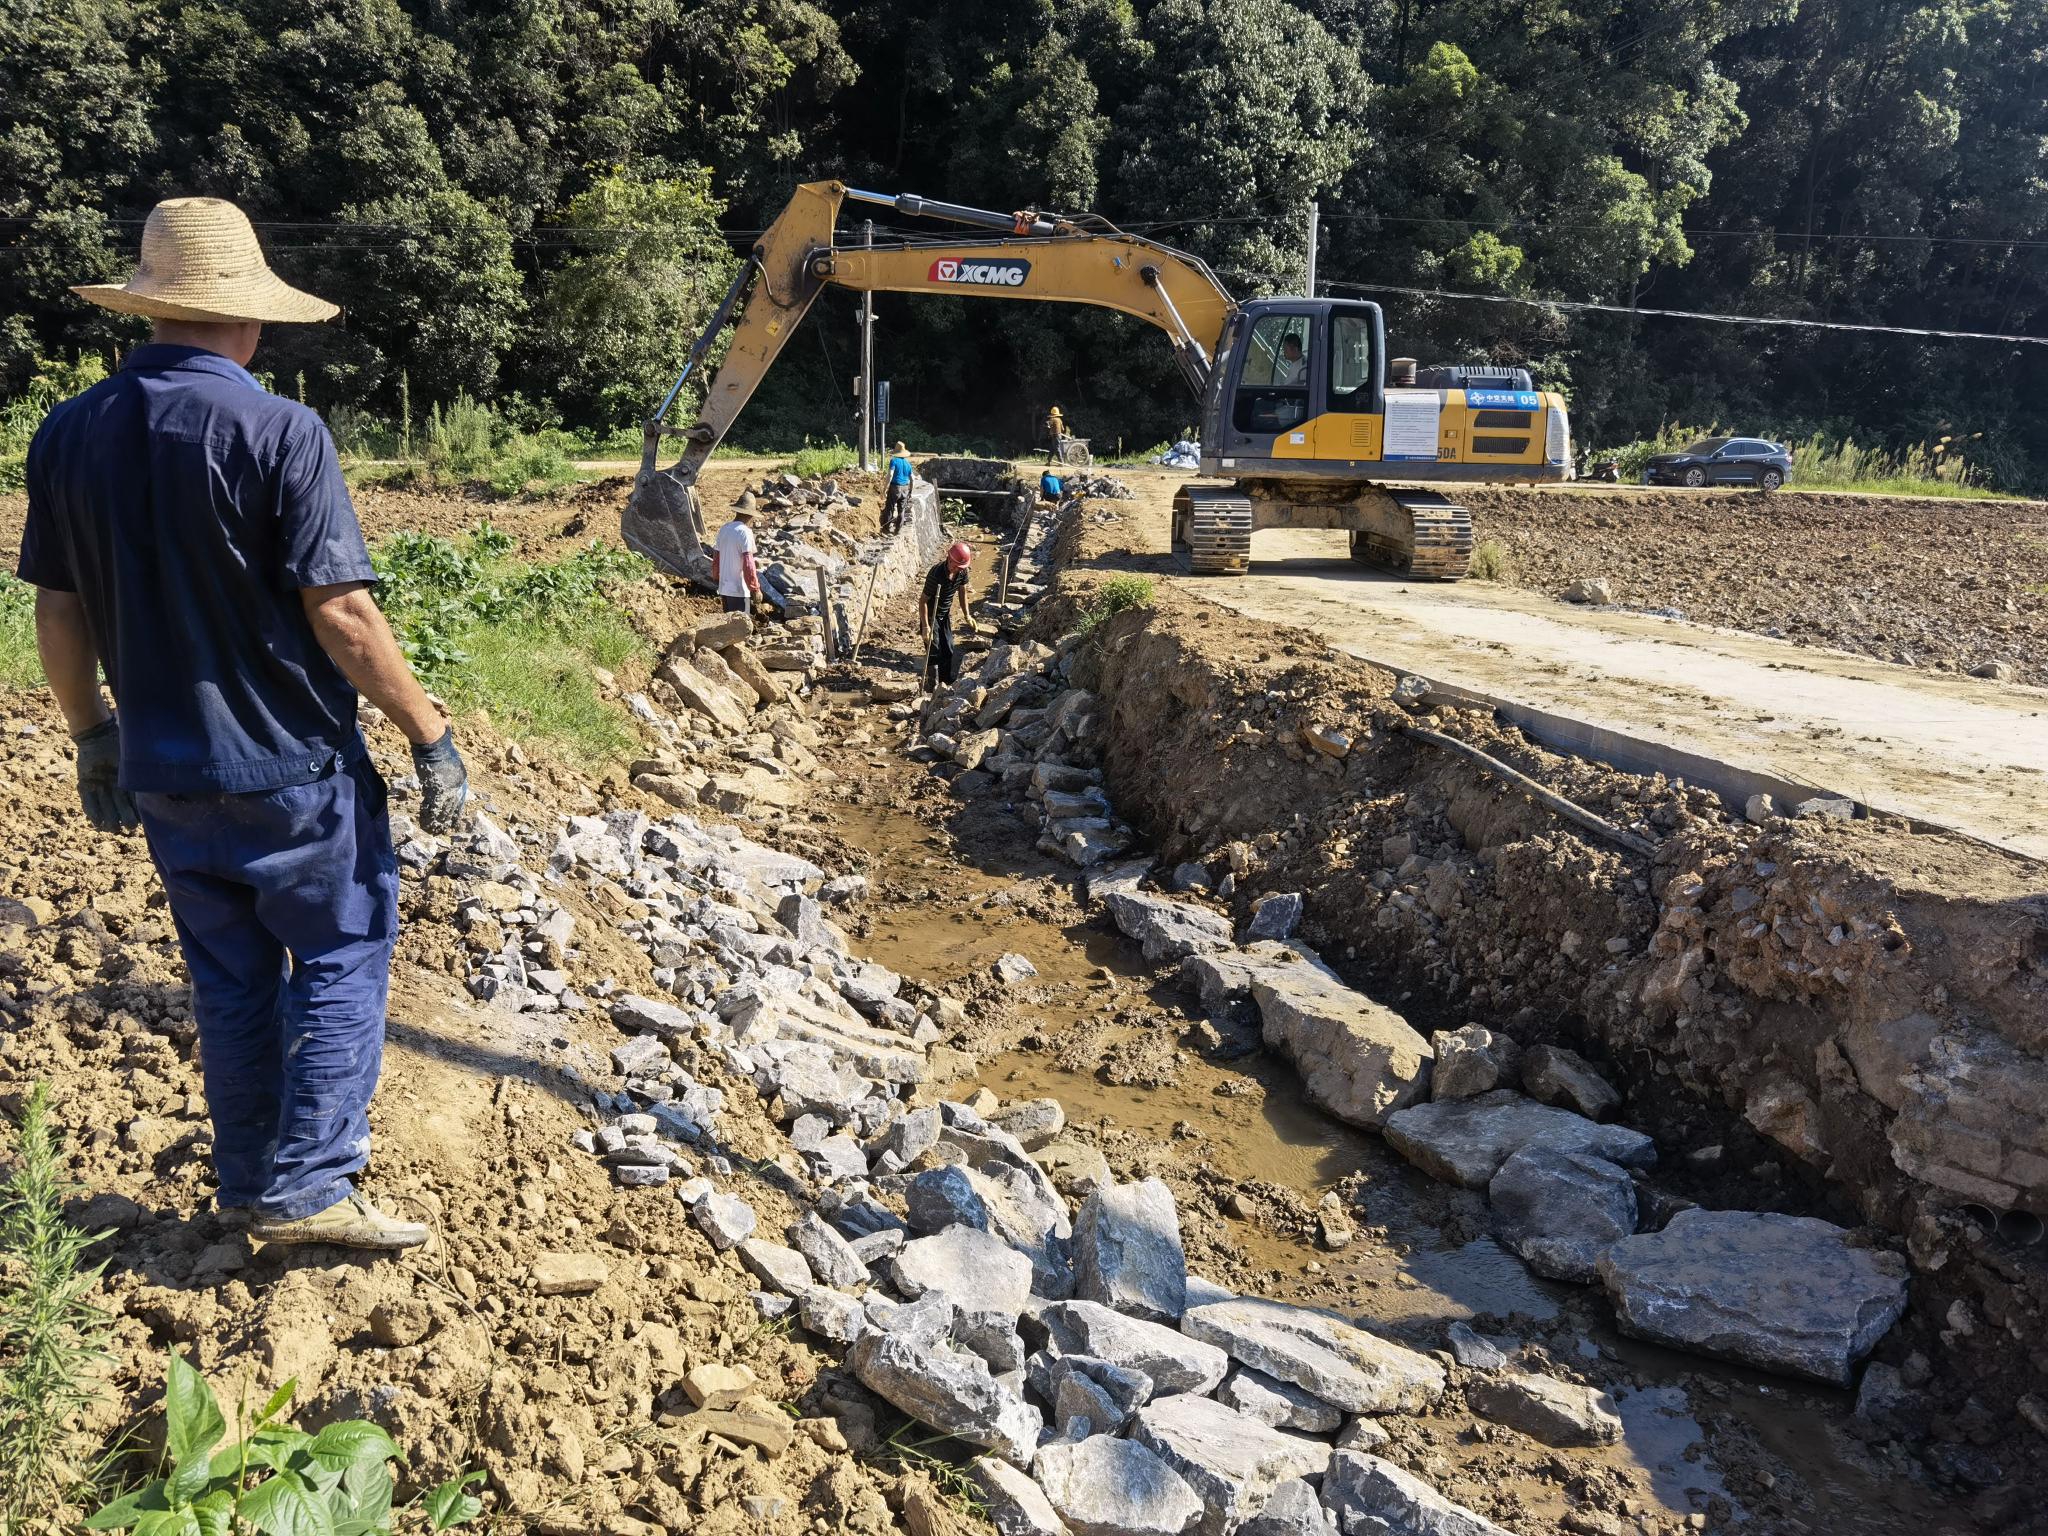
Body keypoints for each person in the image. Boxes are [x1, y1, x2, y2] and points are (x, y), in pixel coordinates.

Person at [18, 197, 469, 1251]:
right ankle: (309, 1188)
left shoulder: (68, 432)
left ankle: (244, 1179)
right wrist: (428, 733)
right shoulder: (278, 428)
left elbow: (57, 606)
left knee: (227, 983)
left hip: (166, 773)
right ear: (251, 322)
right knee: (341, 955)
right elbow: (343, 613)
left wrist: (93, 734)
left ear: (148, 308)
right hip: (291, 774)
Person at [919, 541, 975, 689]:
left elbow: (962, 592)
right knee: (934, 648)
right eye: (954, 565)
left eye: (960, 567)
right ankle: (932, 684)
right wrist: (925, 626)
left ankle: (946, 682)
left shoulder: (962, 572)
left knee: (949, 647)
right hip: (931, 614)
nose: (956, 569)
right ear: (948, 558)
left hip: (944, 613)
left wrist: (967, 615)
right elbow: (923, 601)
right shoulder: (936, 574)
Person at [712, 494, 762, 614]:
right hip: (739, 589)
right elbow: (748, 564)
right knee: (741, 628)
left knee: (729, 626)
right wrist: (755, 589)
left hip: (724, 589)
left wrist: (717, 578)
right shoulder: (745, 532)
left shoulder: (724, 529)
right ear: (750, 515)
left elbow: (716, 559)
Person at [881, 441, 914, 533]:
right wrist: (910, 490)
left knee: (890, 507)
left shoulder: (894, 461)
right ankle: (898, 530)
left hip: (895, 487)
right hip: (905, 488)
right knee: (901, 510)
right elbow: (912, 478)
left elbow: (890, 474)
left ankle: (886, 528)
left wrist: (885, 489)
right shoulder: (908, 464)